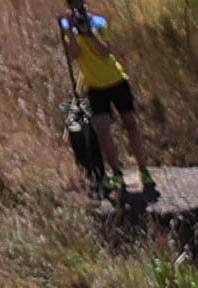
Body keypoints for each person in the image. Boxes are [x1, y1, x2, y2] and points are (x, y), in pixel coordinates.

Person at [55, 9, 156, 197]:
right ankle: (117, 173)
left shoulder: (98, 22)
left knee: (130, 124)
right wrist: (70, 32)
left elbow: (105, 51)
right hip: (95, 86)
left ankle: (143, 169)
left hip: (116, 80)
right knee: (102, 129)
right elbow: (75, 54)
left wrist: (88, 33)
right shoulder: (67, 27)